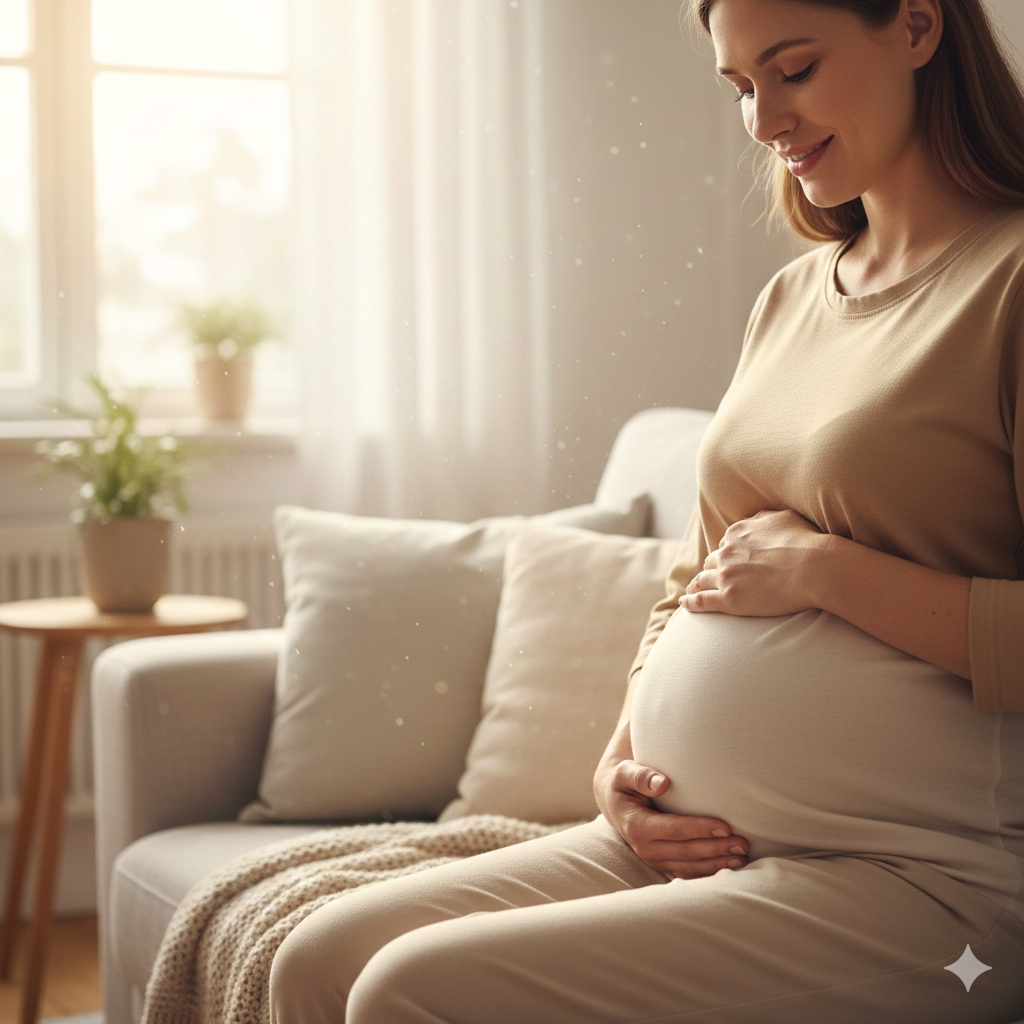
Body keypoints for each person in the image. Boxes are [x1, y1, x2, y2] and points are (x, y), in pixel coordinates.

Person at [269, 1, 1024, 1020]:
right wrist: (615, 763)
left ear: (918, 27)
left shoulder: (1009, 283)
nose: (762, 121)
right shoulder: (792, 297)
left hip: (931, 879)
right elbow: (695, 580)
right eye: (740, 87)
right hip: (701, 842)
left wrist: (824, 573)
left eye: (793, 70)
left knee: (407, 990)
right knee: (317, 955)